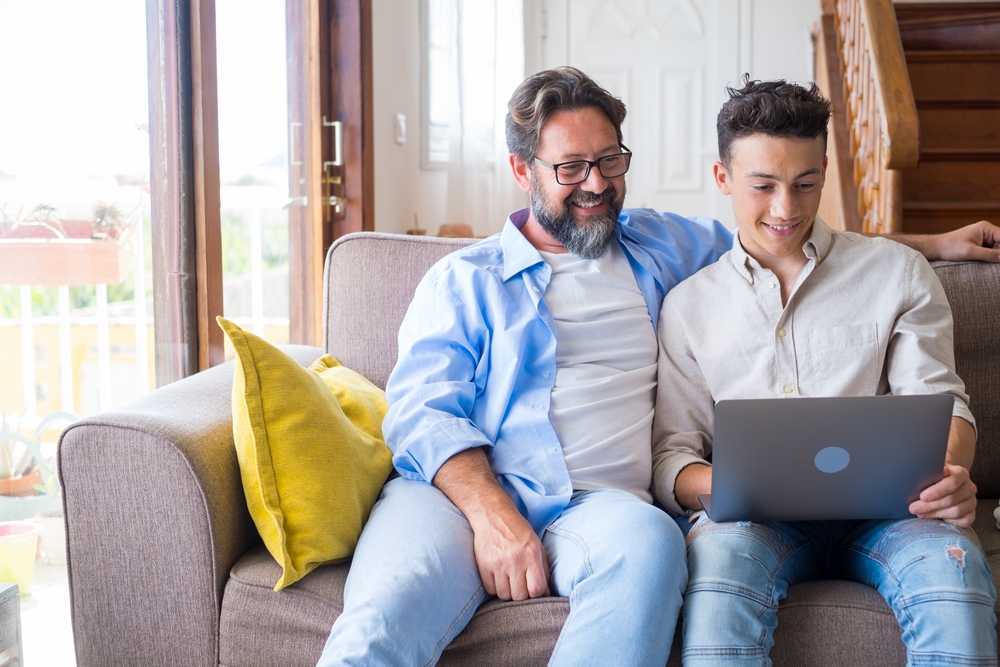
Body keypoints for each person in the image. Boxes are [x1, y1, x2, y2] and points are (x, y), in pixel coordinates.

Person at [317, 67, 1000, 667]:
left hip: (603, 510)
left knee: (651, 546)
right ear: (522, 169)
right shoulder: (463, 279)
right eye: (570, 167)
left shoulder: (657, 246)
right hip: (457, 499)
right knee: (387, 615)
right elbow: (420, 411)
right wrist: (492, 512)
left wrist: (934, 242)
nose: (596, 184)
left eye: (610, 160)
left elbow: (785, 231)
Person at [651, 77, 997, 666]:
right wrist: (731, 487)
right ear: (723, 179)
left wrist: (950, 469)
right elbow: (672, 457)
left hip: (896, 514)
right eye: (763, 186)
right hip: (754, 524)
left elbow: (945, 403)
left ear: (823, 174)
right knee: (718, 578)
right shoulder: (688, 306)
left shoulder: (899, 273)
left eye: (805, 184)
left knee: (952, 579)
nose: (786, 209)